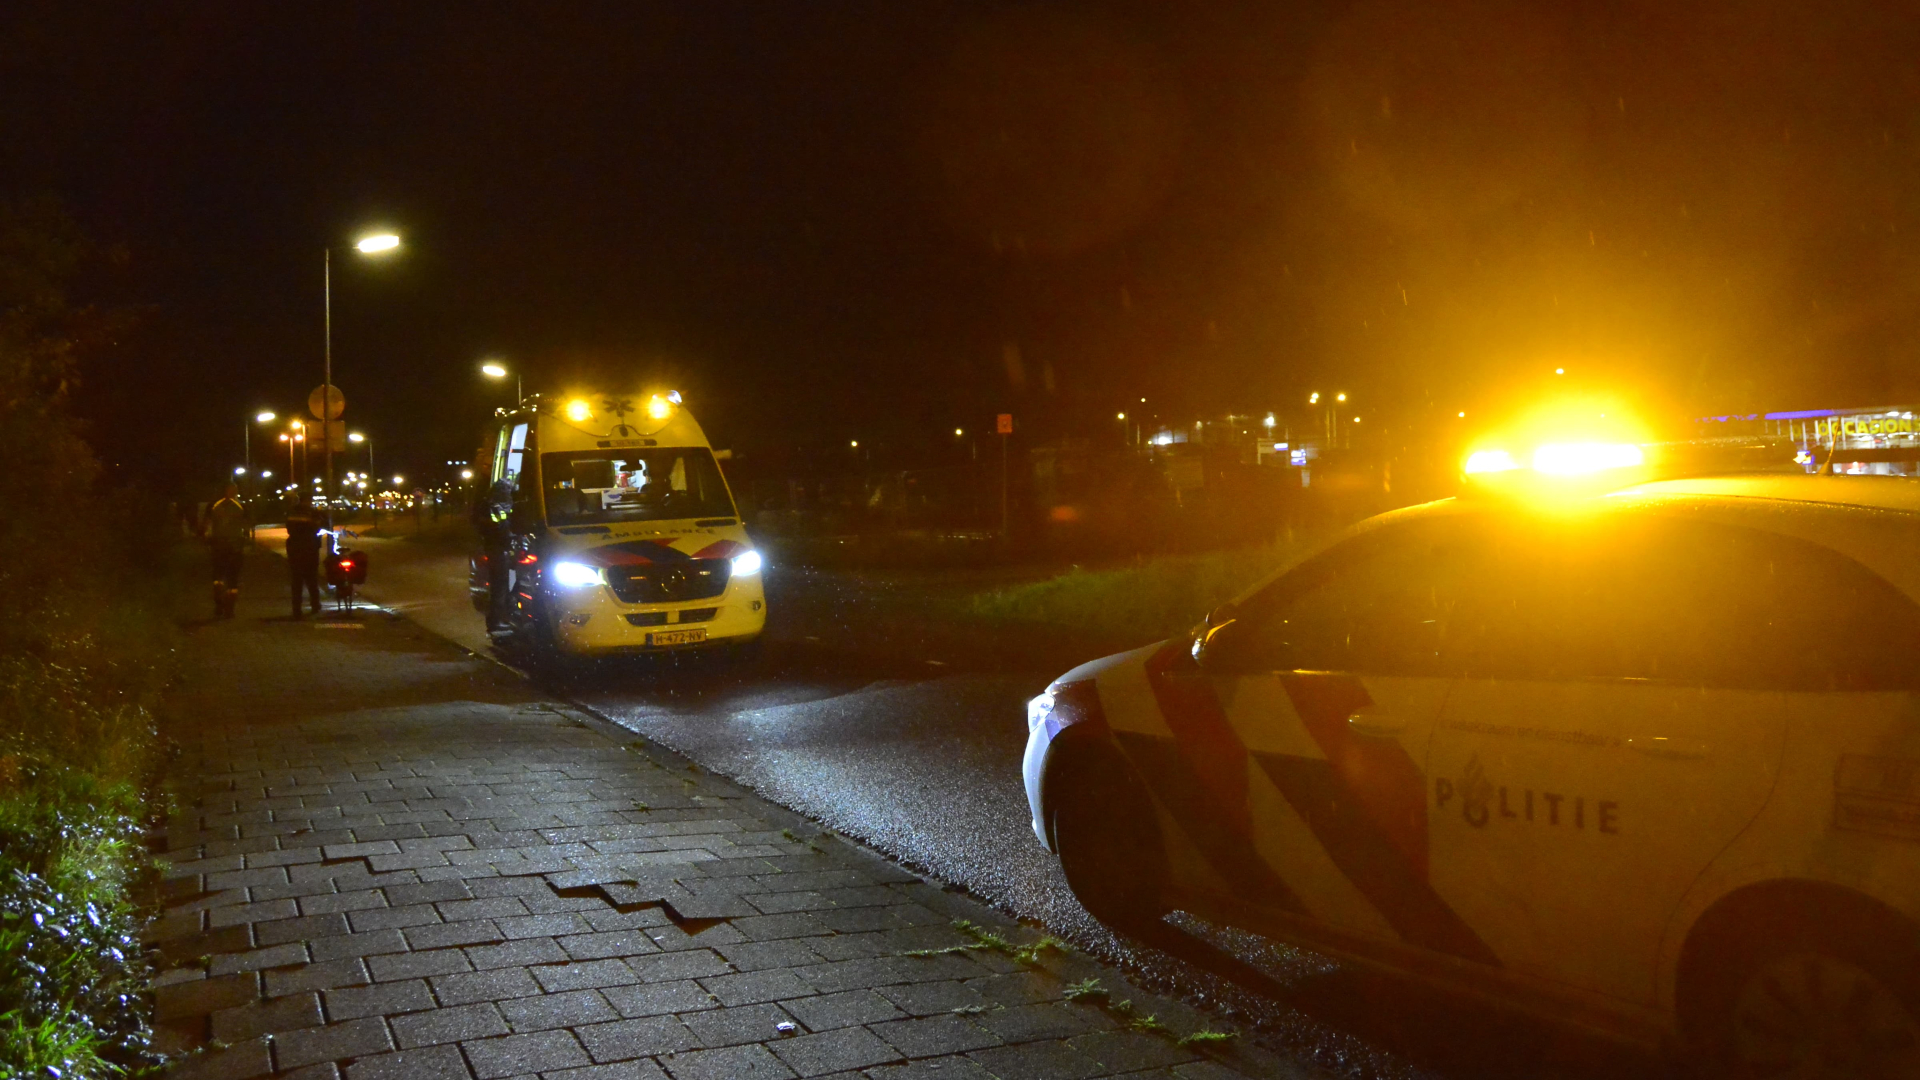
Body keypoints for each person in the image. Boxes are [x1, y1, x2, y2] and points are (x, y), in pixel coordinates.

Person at [205, 483, 248, 618]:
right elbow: (246, 527)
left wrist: (207, 540)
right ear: (235, 492)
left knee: (218, 577)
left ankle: (218, 603)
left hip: (218, 546)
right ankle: (230, 609)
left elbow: (206, 526)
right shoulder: (241, 506)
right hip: (235, 548)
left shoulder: (214, 505)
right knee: (233, 580)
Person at [285, 497, 324, 618]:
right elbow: (318, 526)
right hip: (309, 547)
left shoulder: (291, 512)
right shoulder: (312, 513)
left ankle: (296, 609)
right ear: (307, 501)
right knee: (312, 579)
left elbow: (289, 528)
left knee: (296, 581)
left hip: (295, 548)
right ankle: (315, 605)